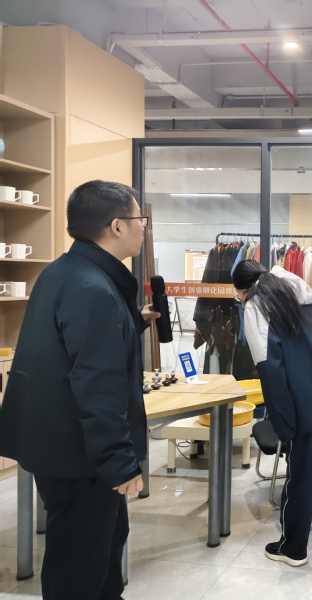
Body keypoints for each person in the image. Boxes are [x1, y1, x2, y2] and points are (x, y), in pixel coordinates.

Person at [0, 180, 159, 600]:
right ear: (117, 226)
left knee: (103, 546)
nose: (143, 227)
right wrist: (119, 460)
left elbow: (74, 347)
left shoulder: (65, 272)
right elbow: (97, 383)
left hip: (62, 444)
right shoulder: (93, 288)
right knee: (80, 565)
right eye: (139, 219)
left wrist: (131, 321)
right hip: (81, 455)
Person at [234, 261, 312, 567]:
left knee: (301, 476)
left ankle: (293, 548)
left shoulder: (255, 307)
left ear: (242, 289)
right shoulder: (302, 294)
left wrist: (282, 420)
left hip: (305, 402)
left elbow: (270, 367)